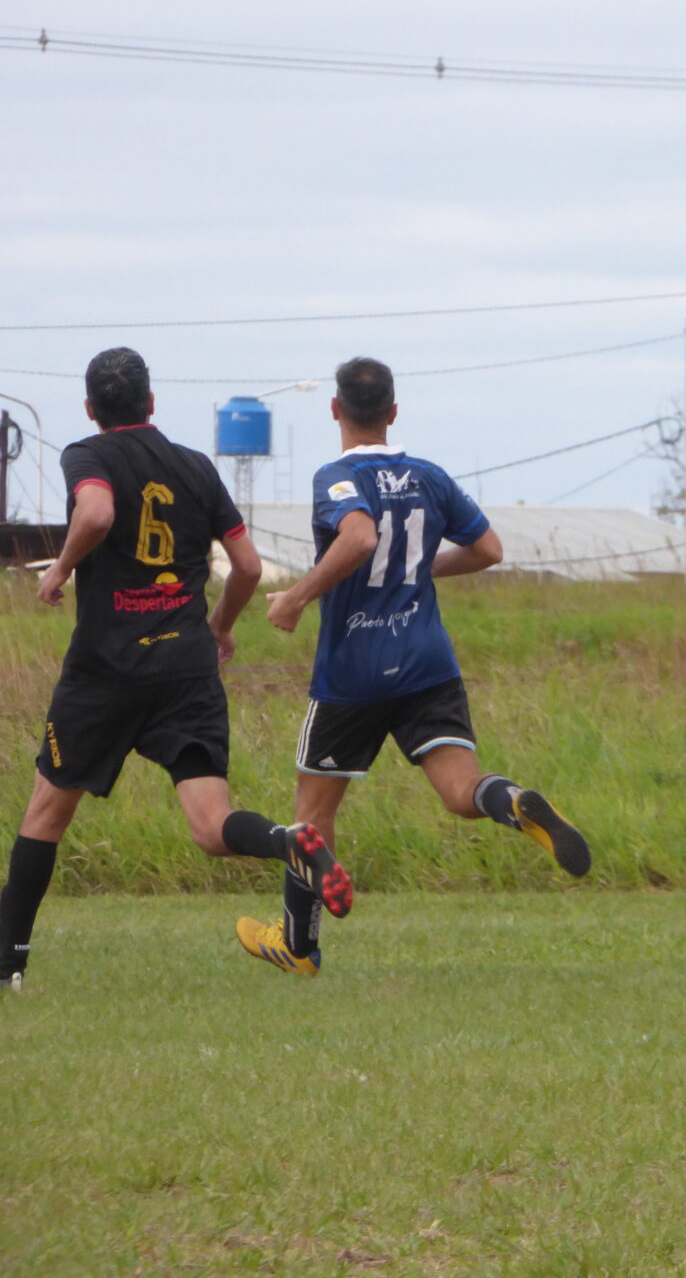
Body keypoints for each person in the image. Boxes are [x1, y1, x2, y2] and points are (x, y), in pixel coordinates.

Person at [0, 349, 352, 993]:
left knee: (46, 813)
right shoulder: (195, 466)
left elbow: (97, 513)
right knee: (212, 825)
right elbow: (248, 567)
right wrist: (220, 627)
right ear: (152, 402)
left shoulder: (88, 455)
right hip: (186, 667)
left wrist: (61, 568)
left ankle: (8, 966)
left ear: (90, 408)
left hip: (105, 671)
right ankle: (286, 840)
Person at [234, 357, 590, 976]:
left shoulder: (337, 476)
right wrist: (419, 569)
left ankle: (298, 946)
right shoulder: (429, 475)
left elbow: (359, 538)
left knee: (312, 818)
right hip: (426, 662)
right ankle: (512, 802)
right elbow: (489, 549)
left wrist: (296, 598)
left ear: (335, 409)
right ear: (394, 412)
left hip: (353, 671)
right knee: (460, 791)